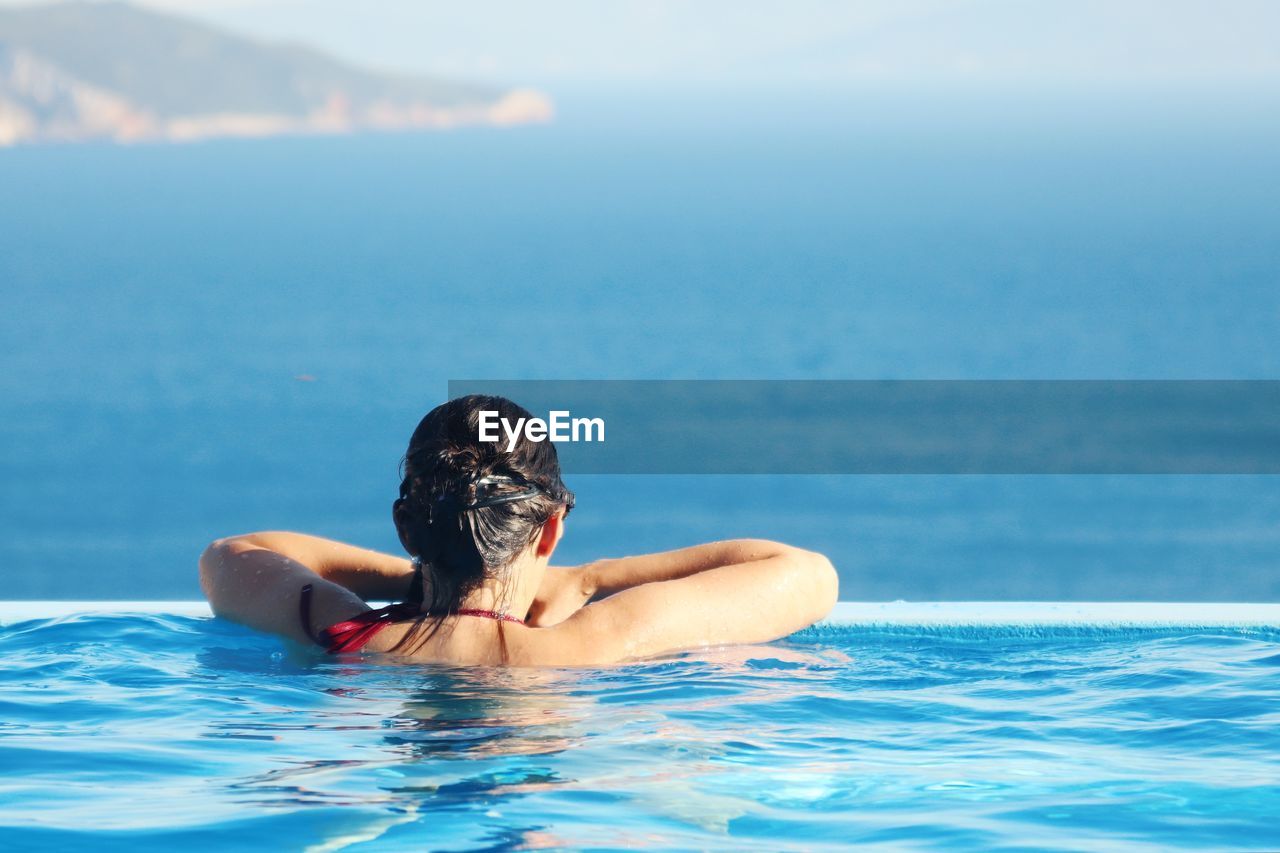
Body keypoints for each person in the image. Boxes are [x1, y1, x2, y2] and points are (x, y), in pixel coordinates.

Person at [199, 395, 837, 666]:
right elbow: (807, 574)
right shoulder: (590, 645)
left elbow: (233, 553)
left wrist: (417, 576)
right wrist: (585, 580)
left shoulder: (334, 629)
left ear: (407, 529)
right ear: (549, 530)